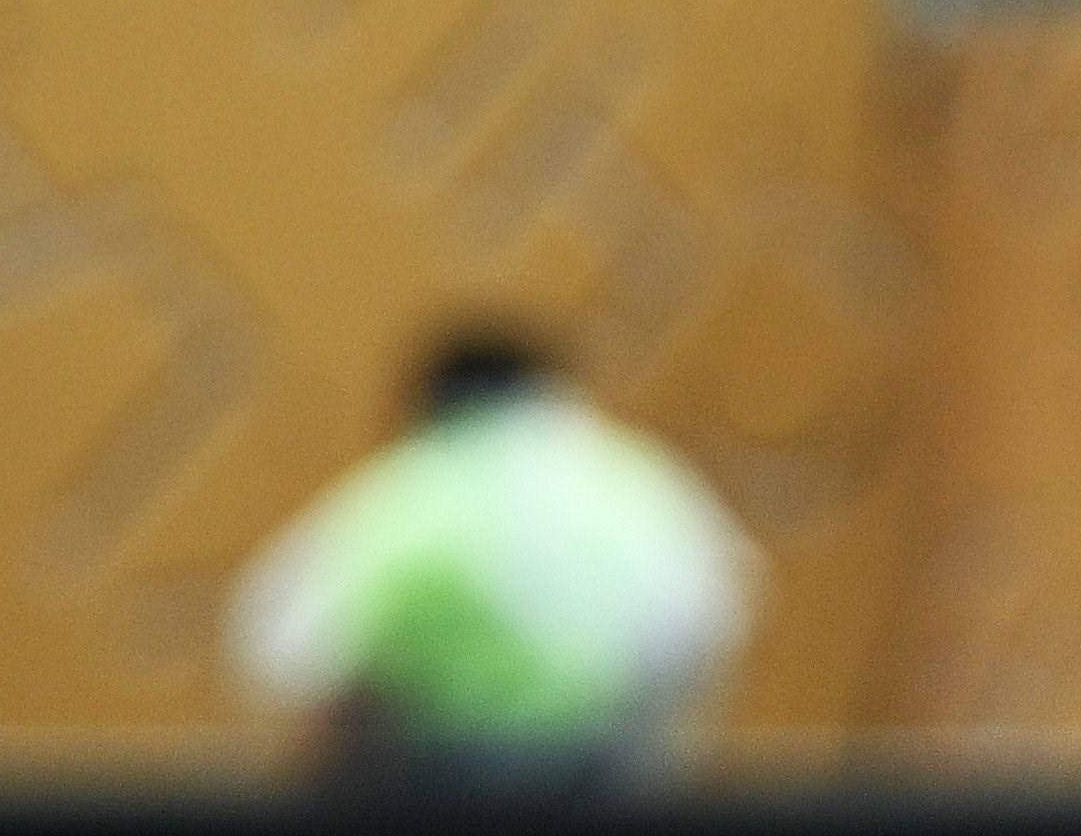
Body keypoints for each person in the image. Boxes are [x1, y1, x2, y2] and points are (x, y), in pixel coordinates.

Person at [220, 327, 758, 787]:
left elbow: (283, 650)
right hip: (604, 804)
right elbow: (714, 615)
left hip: (429, 808)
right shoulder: (635, 483)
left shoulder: (414, 490)